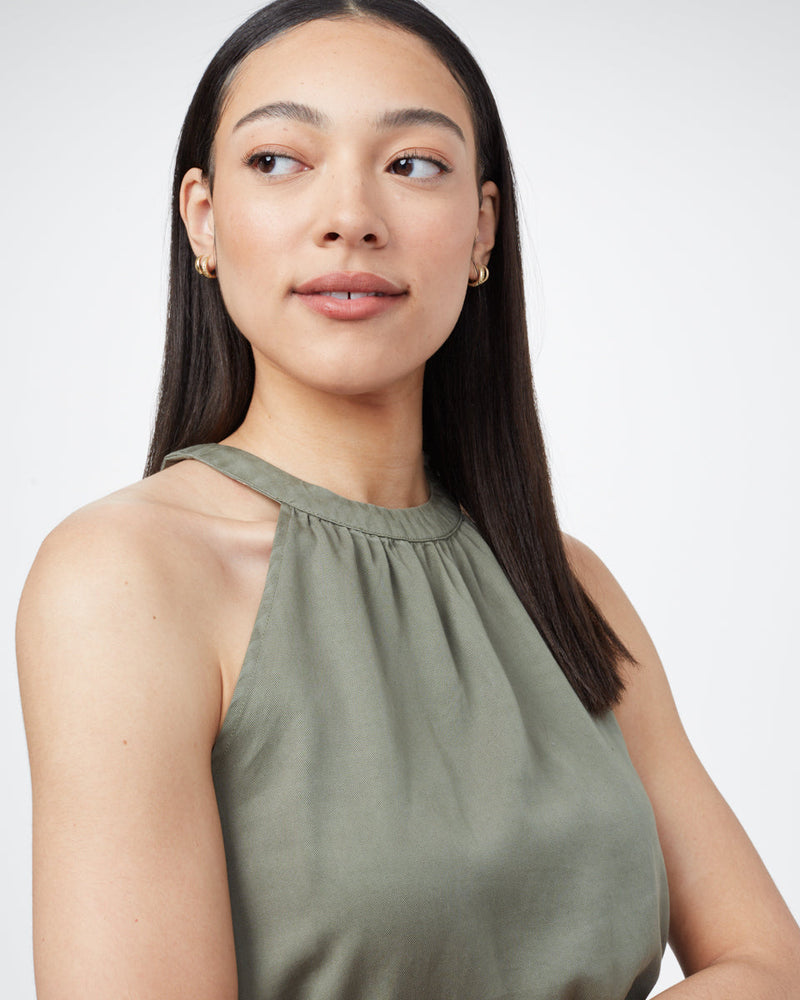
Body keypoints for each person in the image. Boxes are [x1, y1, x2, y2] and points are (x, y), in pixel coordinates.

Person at [16, 0, 800, 997]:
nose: (349, 217)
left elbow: (767, 963)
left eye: (413, 164)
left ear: (481, 230)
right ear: (203, 220)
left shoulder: (564, 582)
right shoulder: (125, 580)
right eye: (278, 160)